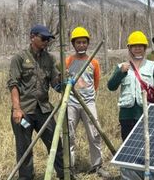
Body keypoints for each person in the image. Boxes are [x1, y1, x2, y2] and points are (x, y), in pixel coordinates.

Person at [7, 24, 64, 180]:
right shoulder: (19, 58)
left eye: (48, 39)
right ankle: (26, 177)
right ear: (32, 37)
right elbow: (13, 84)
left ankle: (65, 174)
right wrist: (16, 109)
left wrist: (63, 80)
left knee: (55, 143)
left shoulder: (50, 59)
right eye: (43, 38)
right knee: (24, 148)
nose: (46, 42)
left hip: (44, 110)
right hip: (24, 113)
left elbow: (55, 84)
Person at [65, 26, 109, 177]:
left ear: (88, 44)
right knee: (69, 135)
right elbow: (64, 81)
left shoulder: (93, 62)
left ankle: (97, 166)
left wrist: (89, 97)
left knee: (94, 134)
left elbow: (96, 83)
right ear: (74, 44)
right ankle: (69, 168)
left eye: (84, 42)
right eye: (78, 43)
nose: (81, 45)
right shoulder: (68, 61)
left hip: (89, 103)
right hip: (71, 103)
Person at [107, 30, 154, 141]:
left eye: (140, 46)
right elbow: (111, 86)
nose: (137, 48)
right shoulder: (122, 66)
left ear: (144, 48)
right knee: (128, 147)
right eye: (134, 46)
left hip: (147, 114)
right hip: (126, 116)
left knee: (147, 145)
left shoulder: (153, 66)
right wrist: (121, 72)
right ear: (129, 48)